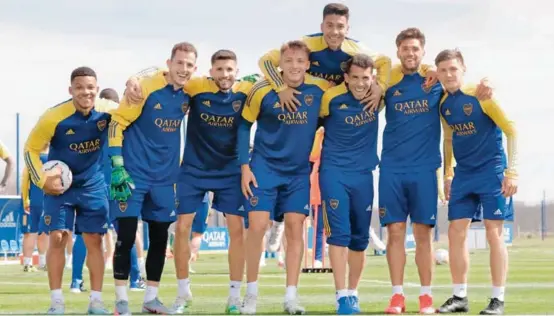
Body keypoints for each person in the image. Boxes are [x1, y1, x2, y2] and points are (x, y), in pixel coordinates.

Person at [124, 50, 254, 315]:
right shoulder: (196, 85)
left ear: (237, 71)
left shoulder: (247, 89)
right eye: (219, 70)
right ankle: (183, 293)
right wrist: (134, 78)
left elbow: (274, 76)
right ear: (210, 71)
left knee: (237, 230)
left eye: (230, 70)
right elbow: (162, 74)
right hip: (193, 169)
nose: (225, 75)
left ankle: (233, 296)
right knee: (182, 227)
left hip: (229, 171)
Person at [378, 28, 493, 314]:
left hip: (425, 169)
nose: (410, 53)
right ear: (398, 51)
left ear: (422, 52)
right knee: (394, 231)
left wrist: (486, 84)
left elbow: (460, 84)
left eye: (415, 48)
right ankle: (397, 296)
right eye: (405, 48)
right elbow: (368, 73)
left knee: (423, 235)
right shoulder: (389, 80)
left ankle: (426, 296)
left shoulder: (436, 82)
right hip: (391, 168)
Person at [238, 40, 330, 315]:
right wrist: (244, 167)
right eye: (288, 61)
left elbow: (329, 119)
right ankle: (251, 294)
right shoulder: (262, 90)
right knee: (257, 226)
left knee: (294, 228)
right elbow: (244, 126)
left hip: (298, 173)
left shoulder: (318, 91)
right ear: (280, 64)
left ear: (307, 64)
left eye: (300, 61)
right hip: (264, 168)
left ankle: (291, 297)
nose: (294, 66)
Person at [108, 42, 197, 315]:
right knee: (124, 236)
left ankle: (151, 298)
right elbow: (116, 123)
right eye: (179, 63)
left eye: (189, 65)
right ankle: (122, 301)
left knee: (159, 239)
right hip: (133, 175)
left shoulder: (191, 93)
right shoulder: (146, 88)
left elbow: (222, 82)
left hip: (165, 178)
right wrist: (117, 166)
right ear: (168, 63)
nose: (184, 69)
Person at [24, 66, 111, 314]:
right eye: (80, 87)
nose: (86, 92)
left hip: (93, 185)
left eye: (91, 87)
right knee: (58, 237)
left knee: (95, 240)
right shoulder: (53, 117)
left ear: (97, 89)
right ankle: (57, 303)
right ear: (70, 90)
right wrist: (42, 180)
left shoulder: (108, 111)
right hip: (59, 187)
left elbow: (132, 110)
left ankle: (96, 302)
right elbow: (30, 149)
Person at [436, 49, 516, 315]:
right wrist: (448, 174)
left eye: (453, 69)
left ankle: (498, 300)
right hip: (463, 175)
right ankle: (459, 296)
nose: (448, 74)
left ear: (463, 69)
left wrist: (511, 172)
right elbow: (448, 139)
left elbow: (511, 129)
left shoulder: (481, 96)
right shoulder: (443, 103)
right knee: (456, 232)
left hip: (491, 172)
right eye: (443, 70)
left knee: (494, 232)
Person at [318, 54, 380, 314]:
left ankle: (353, 293)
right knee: (339, 237)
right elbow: (309, 125)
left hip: (364, 175)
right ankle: (341, 295)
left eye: (365, 78)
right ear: (345, 78)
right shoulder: (330, 99)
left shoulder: (378, 98)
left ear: (373, 78)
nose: (360, 83)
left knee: (360, 239)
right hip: (334, 173)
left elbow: (390, 63)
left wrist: (380, 88)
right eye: (354, 77)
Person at [258, 3, 390, 112]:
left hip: (335, 106)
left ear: (347, 29)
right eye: (329, 25)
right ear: (322, 27)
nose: (334, 32)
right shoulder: (307, 44)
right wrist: (281, 88)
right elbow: (265, 61)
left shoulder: (356, 49)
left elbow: (385, 61)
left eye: (340, 26)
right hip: (304, 104)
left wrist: (379, 88)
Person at [20, 146, 49, 272]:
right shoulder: (52, 160)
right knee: (44, 232)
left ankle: (27, 263)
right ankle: (42, 263)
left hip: (32, 201)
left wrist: (25, 200)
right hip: (47, 201)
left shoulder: (31, 160)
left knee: (30, 233)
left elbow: (24, 182)